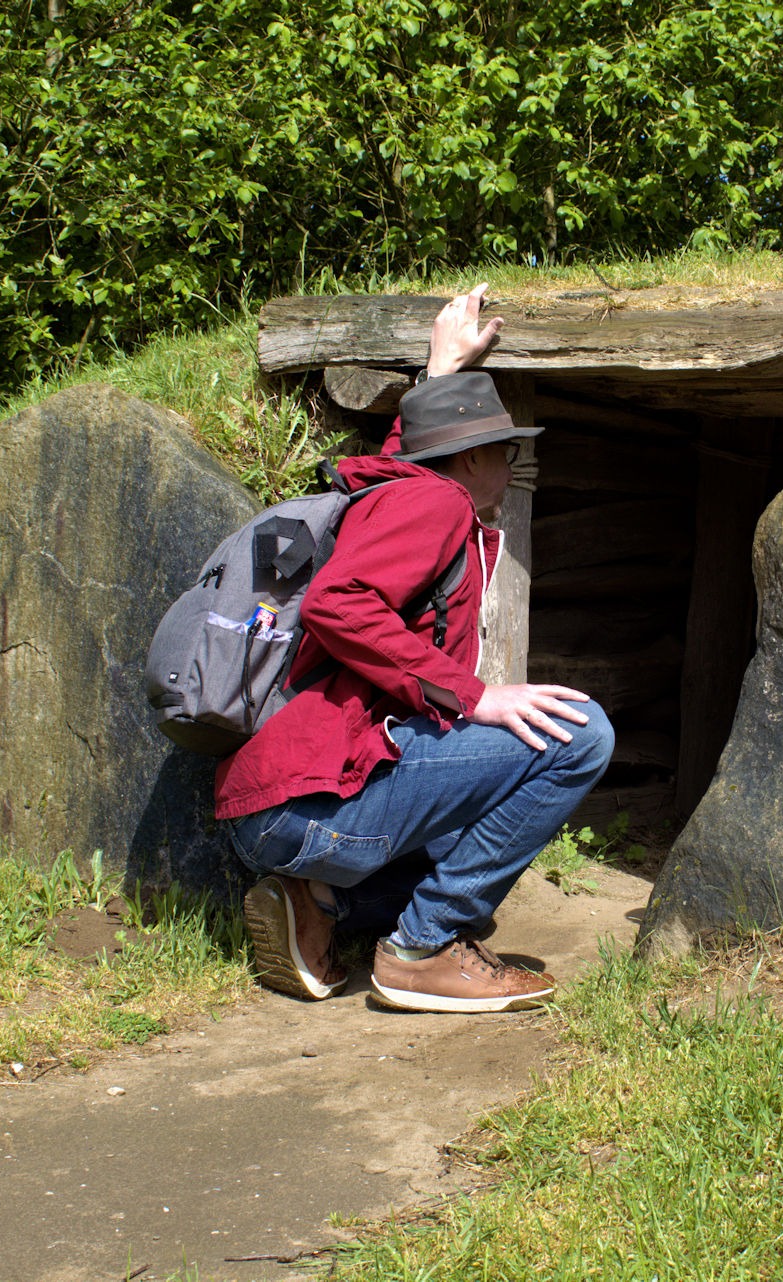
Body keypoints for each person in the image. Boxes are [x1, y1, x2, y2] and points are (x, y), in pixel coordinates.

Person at [214, 284, 614, 1013]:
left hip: (283, 808)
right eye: (503, 450)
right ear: (468, 460)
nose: (513, 466)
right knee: (580, 736)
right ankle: (421, 952)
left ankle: (320, 904)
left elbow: (416, 456)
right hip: (311, 800)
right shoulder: (437, 502)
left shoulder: (405, 488)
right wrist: (477, 695)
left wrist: (439, 373)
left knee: (465, 876)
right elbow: (339, 601)